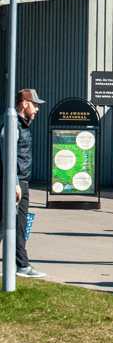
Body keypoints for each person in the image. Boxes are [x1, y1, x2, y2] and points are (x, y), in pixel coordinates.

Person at [0, 89, 47, 278]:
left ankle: (21, 264)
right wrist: (15, 182)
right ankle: (22, 265)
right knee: (13, 223)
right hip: (16, 183)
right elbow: (8, 153)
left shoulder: (23, 125)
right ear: (24, 104)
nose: (37, 109)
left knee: (13, 224)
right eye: (35, 105)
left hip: (21, 182)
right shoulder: (13, 125)